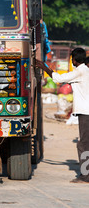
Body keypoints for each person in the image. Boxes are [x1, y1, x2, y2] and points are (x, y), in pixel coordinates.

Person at [36, 47, 89, 183]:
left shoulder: (80, 71)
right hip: (86, 111)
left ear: (74, 60)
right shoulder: (85, 71)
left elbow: (59, 78)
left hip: (85, 112)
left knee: (83, 144)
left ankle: (85, 175)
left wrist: (44, 67)